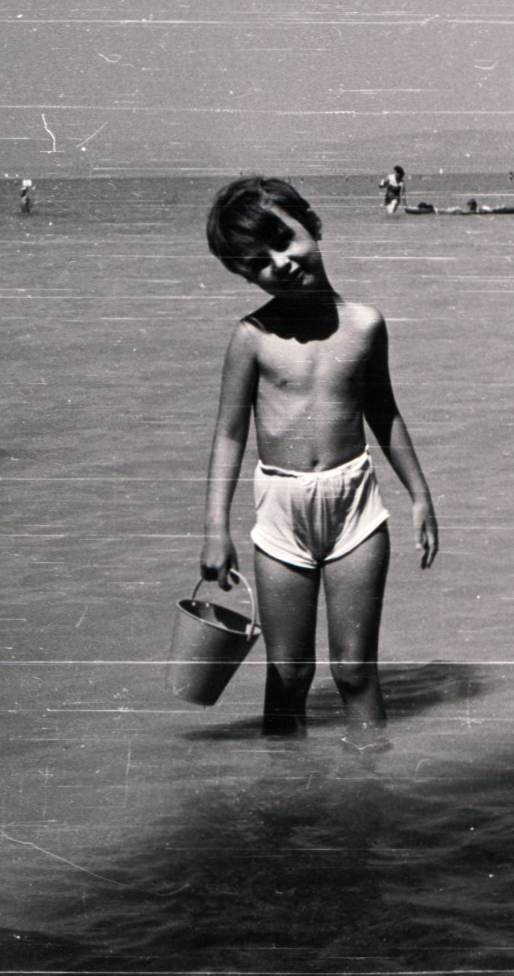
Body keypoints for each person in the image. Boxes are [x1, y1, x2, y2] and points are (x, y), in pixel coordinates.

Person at [199, 176, 438, 742]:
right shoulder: (252, 337)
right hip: (280, 513)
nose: (279, 264)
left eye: (285, 240)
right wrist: (215, 529)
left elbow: (384, 414)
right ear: (243, 275)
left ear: (313, 224)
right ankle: (286, 801)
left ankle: (368, 794)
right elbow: (229, 434)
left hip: (355, 504)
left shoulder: (364, 325)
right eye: (257, 262)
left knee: (355, 670)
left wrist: (420, 495)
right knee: (288, 671)